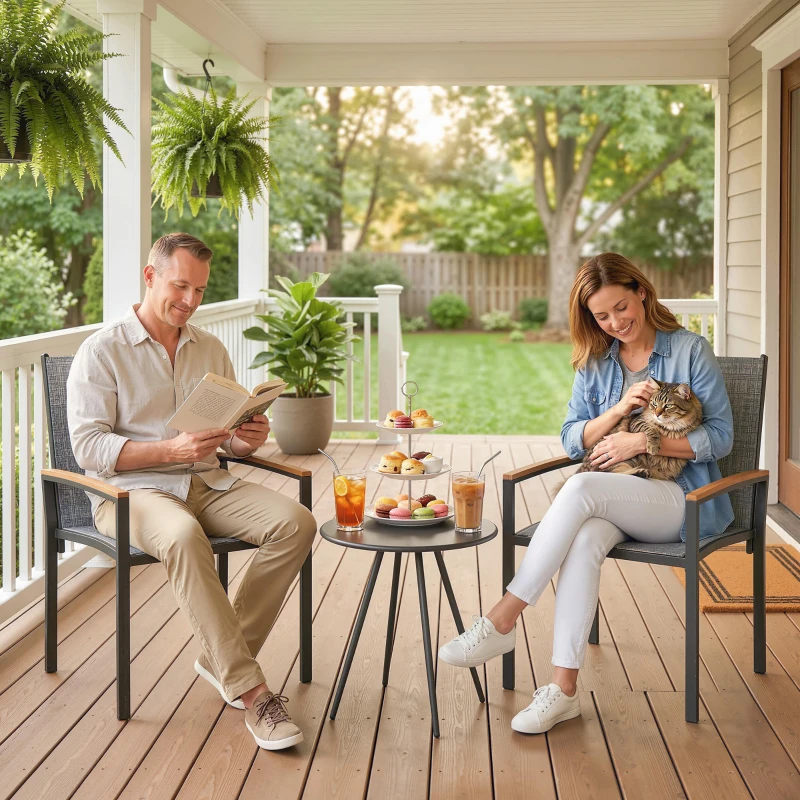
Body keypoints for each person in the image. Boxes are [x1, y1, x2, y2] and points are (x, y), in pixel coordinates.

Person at [438, 252, 734, 735]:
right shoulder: (596, 362)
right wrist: (617, 412)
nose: (616, 322)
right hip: (617, 495)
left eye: (622, 306)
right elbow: (573, 437)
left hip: (681, 499)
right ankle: (563, 690)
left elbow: (721, 438)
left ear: (641, 291)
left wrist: (643, 440)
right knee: (585, 536)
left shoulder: (689, 350)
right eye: (602, 315)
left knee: (579, 487)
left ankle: (503, 619)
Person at [67, 233, 316, 751]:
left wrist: (249, 438)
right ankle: (252, 693)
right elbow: (89, 448)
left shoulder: (210, 347)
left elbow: (225, 434)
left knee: (296, 523)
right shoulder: (102, 350)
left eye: (200, 290)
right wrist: (168, 451)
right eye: (180, 286)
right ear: (150, 276)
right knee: (181, 535)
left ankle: (221, 658)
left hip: (207, 480)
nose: (191, 301)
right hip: (131, 494)